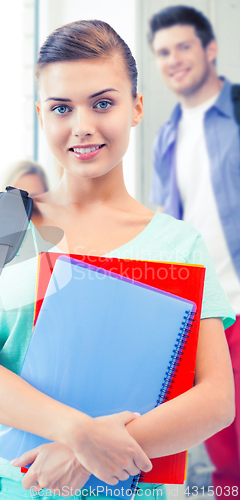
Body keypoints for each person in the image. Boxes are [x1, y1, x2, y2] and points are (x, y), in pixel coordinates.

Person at [0, 20, 235, 500]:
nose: (83, 126)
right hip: (9, 489)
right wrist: (79, 432)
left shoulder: (181, 245)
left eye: (103, 103)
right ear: (41, 115)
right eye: (61, 108)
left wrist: (85, 451)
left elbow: (216, 400)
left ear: (136, 107)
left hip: (129, 490)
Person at [148, 5, 240, 495]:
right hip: (204, 309)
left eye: (183, 46)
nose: (173, 59)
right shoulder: (166, 135)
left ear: (210, 50)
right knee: (222, 447)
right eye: (163, 52)